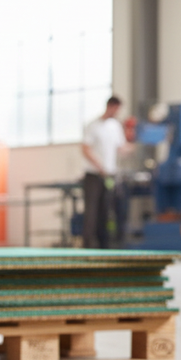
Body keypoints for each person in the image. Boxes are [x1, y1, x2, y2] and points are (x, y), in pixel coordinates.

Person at [81, 96, 128, 249]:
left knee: (106, 212)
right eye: (117, 109)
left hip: (110, 175)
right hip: (94, 176)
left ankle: (104, 247)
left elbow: (121, 148)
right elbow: (85, 149)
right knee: (91, 213)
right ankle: (87, 246)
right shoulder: (92, 125)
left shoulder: (115, 127)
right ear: (111, 106)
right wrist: (100, 166)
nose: (118, 112)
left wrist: (136, 139)